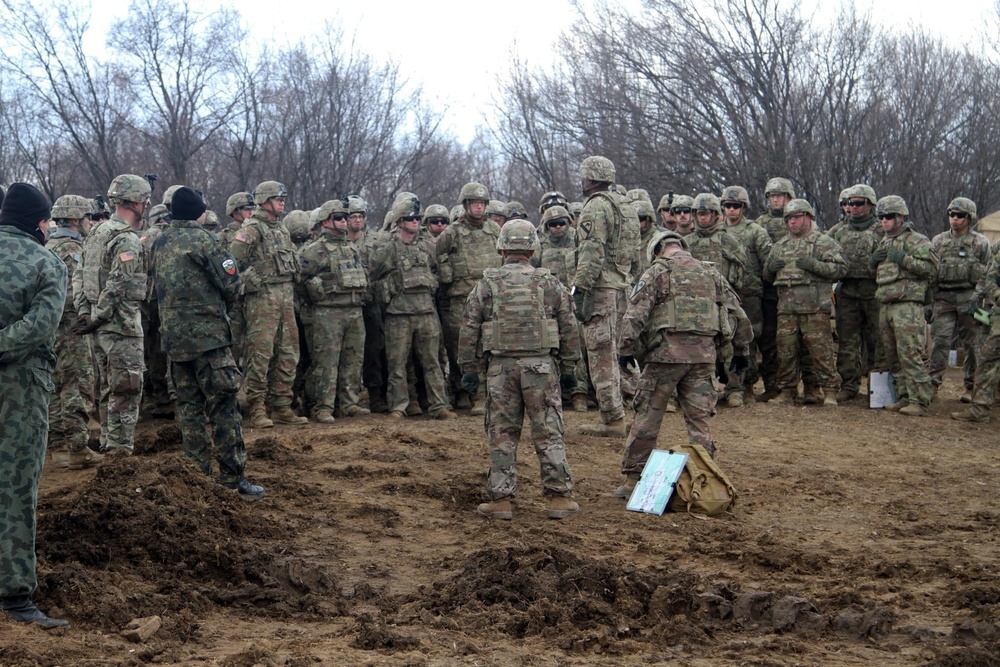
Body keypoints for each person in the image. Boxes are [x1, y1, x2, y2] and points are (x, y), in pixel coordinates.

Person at [459, 219, 581, 520]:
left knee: (502, 433)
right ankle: (559, 498)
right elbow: (569, 326)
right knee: (548, 431)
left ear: (501, 247)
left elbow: (468, 327)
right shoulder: (549, 283)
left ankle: (501, 501)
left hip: (501, 369)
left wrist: (469, 367)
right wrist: (569, 368)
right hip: (541, 367)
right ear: (533, 247)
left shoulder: (487, 284)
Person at [614, 230, 751, 498]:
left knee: (648, 416)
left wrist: (625, 349)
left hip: (665, 357)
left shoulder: (658, 272)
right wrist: (741, 350)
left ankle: (634, 479)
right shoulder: (711, 273)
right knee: (699, 421)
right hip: (703, 358)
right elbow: (738, 313)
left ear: (656, 252)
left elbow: (635, 314)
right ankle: (707, 480)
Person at [151, 187, 264, 499]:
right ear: (199, 212)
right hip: (209, 341)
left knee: (190, 410)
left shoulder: (160, 240)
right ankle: (232, 477)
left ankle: (197, 480)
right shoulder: (204, 239)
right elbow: (231, 284)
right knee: (224, 406)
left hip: (175, 341)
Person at [0, 182, 71, 629]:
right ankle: (15, 595)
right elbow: (41, 326)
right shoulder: (48, 261)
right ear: (41, 222)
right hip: (21, 389)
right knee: (16, 487)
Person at [73, 174, 150, 455]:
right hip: (120, 328)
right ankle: (119, 450)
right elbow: (118, 284)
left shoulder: (97, 232)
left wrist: (86, 312)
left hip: (99, 327)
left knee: (108, 388)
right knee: (127, 390)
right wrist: (99, 316)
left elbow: (80, 276)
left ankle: (108, 442)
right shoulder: (127, 239)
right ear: (136, 202)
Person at [229, 181, 308, 428]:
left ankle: (281, 405)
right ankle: (256, 407)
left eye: (283, 197)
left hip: (285, 296)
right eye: (277, 198)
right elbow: (231, 264)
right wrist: (246, 281)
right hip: (262, 299)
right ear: (264, 201)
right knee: (260, 354)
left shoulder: (282, 229)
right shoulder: (251, 229)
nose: (282, 201)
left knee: (288, 353)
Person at [573, 156, 640, 436]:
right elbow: (634, 251)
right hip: (622, 286)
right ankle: (636, 404)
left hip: (601, 289)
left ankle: (612, 418)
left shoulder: (597, 206)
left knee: (600, 353)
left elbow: (592, 250)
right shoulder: (626, 206)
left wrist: (580, 288)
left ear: (589, 178)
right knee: (620, 350)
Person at [371, 198, 456, 420]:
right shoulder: (387, 249)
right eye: (410, 218)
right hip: (398, 313)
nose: (415, 222)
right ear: (399, 222)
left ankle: (439, 405)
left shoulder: (428, 246)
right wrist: (389, 287)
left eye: (417, 218)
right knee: (397, 363)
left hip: (425, 311)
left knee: (432, 362)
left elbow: (438, 272)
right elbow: (373, 276)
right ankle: (399, 406)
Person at [762, 199, 847, 405]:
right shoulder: (780, 246)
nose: (793, 222)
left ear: (808, 217)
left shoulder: (823, 242)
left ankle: (828, 391)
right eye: (789, 218)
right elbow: (767, 276)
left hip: (815, 307)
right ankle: (787, 390)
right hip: (787, 309)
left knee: (821, 352)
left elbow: (840, 269)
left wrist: (814, 265)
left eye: (797, 217)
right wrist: (771, 268)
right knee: (786, 351)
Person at [298, 199, 369, 423]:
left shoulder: (351, 247)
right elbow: (300, 278)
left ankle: (349, 403)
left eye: (345, 218)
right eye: (338, 218)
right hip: (328, 312)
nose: (344, 222)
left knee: (353, 360)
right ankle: (323, 406)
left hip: (354, 309)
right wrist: (316, 294)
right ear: (326, 221)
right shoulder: (315, 249)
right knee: (326, 361)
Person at [46, 195, 103, 469]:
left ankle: (58, 448)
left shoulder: (47, 246)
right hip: (72, 329)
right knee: (77, 386)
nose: (90, 222)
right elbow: (72, 295)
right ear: (75, 219)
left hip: (51, 330)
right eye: (87, 218)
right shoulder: (72, 249)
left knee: (56, 386)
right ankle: (79, 448)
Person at [436, 182, 502, 413]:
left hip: (490, 299)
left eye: (482, 203)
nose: (478, 207)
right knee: (459, 347)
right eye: (474, 203)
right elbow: (437, 259)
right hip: (461, 299)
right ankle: (462, 392)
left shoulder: (494, 231)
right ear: (465, 205)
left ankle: (486, 395)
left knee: (489, 345)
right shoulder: (451, 233)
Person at [870, 195, 939, 416]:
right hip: (886, 304)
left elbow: (933, 269)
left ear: (901, 217)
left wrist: (904, 259)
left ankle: (920, 400)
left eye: (889, 217)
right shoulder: (883, 241)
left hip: (907, 305)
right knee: (893, 355)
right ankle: (904, 396)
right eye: (881, 217)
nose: (884, 221)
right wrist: (873, 262)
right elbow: (880, 273)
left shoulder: (916, 240)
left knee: (911, 353)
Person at [826, 184, 884, 401]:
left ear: (870, 204)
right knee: (848, 341)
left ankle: (877, 390)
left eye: (859, 203)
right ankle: (848, 386)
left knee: (877, 342)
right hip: (848, 292)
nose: (853, 207)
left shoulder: (881, 230)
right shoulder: (837, 231)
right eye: (850, 203)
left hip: (875, 292)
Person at [929, 197, 990, 401]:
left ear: (969, 218)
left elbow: (988, 274)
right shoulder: (937, 241)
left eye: (960, 215)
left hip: (969, 298)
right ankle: (933, 384)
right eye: (951, 214)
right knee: (940, 341)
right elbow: (930, 273)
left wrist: (980, 300)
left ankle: (970, 386)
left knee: (972, 344)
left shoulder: (980, 243)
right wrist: (928, 302)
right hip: (943, 298)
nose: (954, 219)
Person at [720, 185, 772, 406]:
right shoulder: (718, 231)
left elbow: (768, 262)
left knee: (748, 339)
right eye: (728, 205)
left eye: (736, 206)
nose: (732, 210)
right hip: (722, 293)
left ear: (744, 207)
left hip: (748, 293)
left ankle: (748, 385)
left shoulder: (755, 231)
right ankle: (729, 385)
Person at [952, 247, 1000, 423]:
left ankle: (981, 408)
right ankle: (980, 407)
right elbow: (989, 276)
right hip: (995, 313)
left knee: (989, 359)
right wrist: (995, 294)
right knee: (988, 358)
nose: (955, 217)